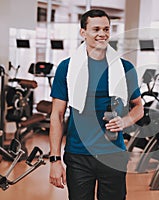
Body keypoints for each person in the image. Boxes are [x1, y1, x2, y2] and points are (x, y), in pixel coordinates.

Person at [49, 9, 144, 200]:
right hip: (78, 155)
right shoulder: (67, 68)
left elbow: (138, 107)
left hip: (113, 154)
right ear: (83, 32)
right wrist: (55, 160)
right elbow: (57, 115)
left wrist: (125, 122)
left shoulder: (124, 67)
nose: (103, 34)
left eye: (106, 29)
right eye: (96, 29)